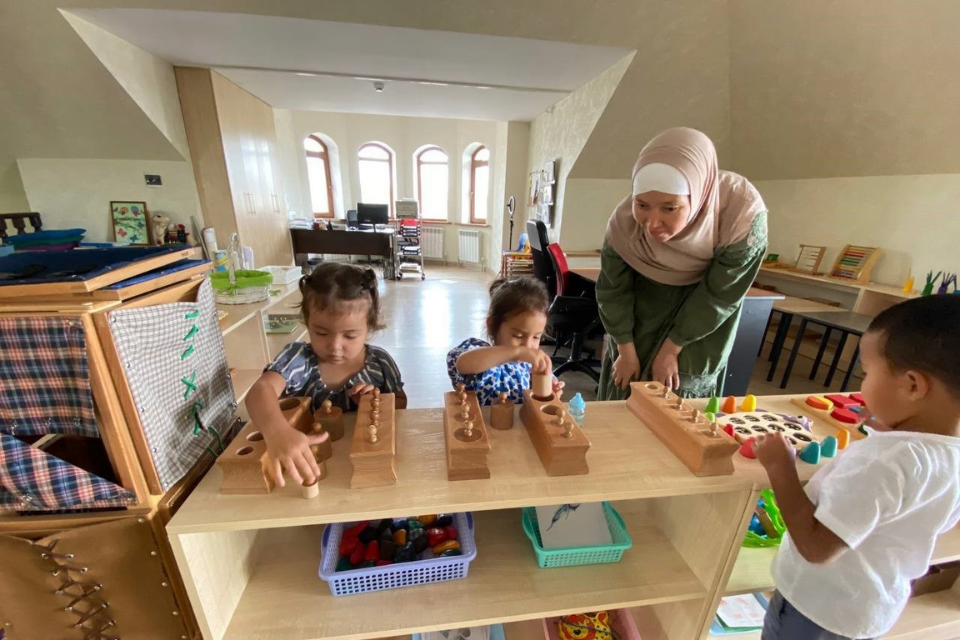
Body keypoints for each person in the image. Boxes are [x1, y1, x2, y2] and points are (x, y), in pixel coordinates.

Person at [754, 295, 960, 640]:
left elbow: (816, 547)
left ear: (912, 385)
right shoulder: (947, 454)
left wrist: (781, 468)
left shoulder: (885, 462)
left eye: (866, 373)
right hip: (868, 607)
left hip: (817, 610)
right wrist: (894, 429)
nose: (862, 387)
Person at [597, 127, 768, 399]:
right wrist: (625, 349)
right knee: (626, 382)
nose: (652, 224)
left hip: (703, 320)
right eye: (641, 205)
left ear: (697, 197)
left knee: (676, 395)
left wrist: (671, 350)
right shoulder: (623, 225)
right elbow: (612, 291)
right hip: (640, 312)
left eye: (669, 208)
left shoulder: (739, 215)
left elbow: (719, 296)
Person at [247, 262, 406, 487]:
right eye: (321, 332)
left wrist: (375, 404)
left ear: (369, 327)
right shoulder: (298, 359)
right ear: (307, 322)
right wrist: (278, 432)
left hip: (360, 468)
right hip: (309, 467)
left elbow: (401, 404)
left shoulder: (380, 364)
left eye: (350, 335)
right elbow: (259, 391)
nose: (335, 346)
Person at [447, 277, 563, 406]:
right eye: (518, 336)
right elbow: (463, 363)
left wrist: (549, 390)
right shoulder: (477, 352)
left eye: (536, 337)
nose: (527, 346)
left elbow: (539, 399)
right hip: (481, 423)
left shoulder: (530, 365)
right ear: (492, 325)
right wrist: (516, 352)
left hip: (518, 423)